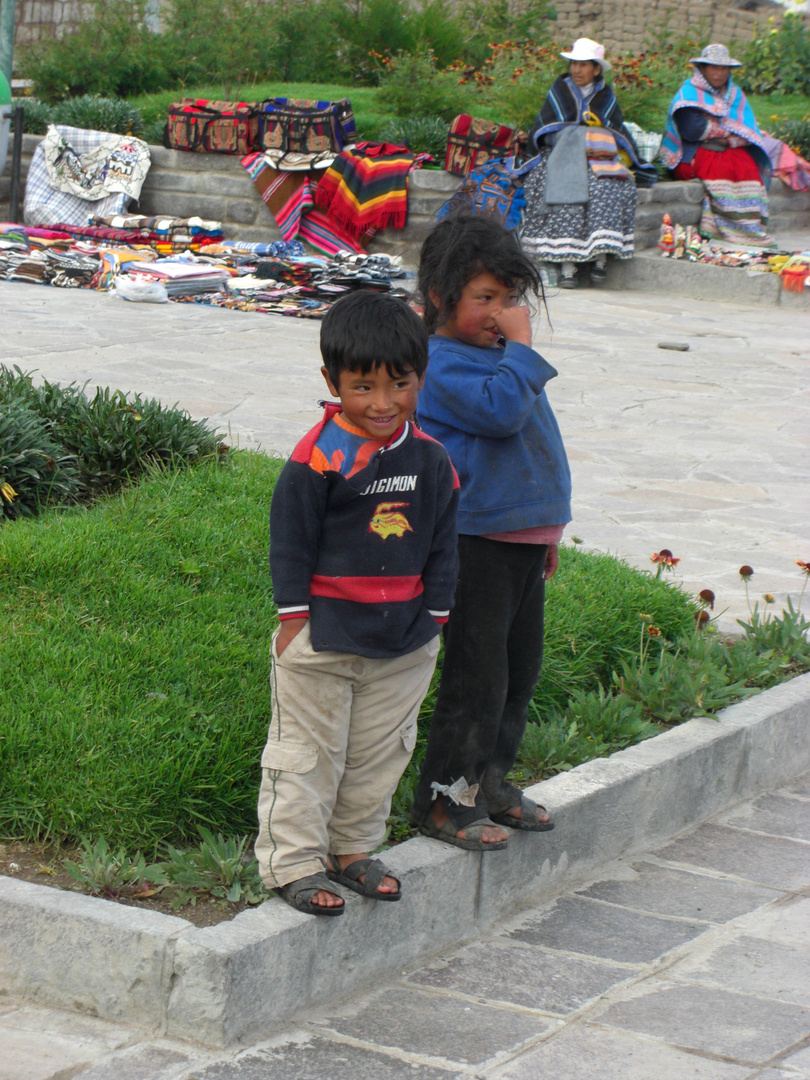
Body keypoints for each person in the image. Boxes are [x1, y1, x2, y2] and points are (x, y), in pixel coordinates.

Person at [255, 290, 460, 915]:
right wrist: (294, 619)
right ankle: (293, 863)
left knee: (378, 754)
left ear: (420, 378)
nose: (381, 403)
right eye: (363, 386)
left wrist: (436, 619)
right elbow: (290, 542)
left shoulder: (431, 459)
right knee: (309, 756)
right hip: (323, 638)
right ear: (331, 381)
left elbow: (445, 542)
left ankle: (352, 850)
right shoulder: (317, 458)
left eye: (399, 385)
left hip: (404, 642)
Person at [410, 213, 572, 850]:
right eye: (485, 299)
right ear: (439, 300)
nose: (502, 314)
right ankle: (445, 800)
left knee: (516, 673)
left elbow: (533, 445)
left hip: (521, 542)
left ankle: (492, 785)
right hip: (475, 542)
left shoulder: (501, 360)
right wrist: (525, 351)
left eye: (510, 299)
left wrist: (546, 533)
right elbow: (503, 417)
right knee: (477, 679)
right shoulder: (439, 364)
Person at [521, 38, 656, 289]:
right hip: (562, 154)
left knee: (610, 187)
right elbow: (544, 130)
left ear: (596, 69)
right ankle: (567, 267)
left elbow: (614, 128)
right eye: (574, 63)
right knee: (560, 192)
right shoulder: (559, 91)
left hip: (598, 156)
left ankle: (600, 257)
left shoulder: (605, 95)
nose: (577, 70)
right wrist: (575, 135)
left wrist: (592, 135)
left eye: (583, 65)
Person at [660, 43, 773, 247]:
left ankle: (749, 229)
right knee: (724, 169)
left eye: (723, 68)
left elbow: (748, 132)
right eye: (713, 67)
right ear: (702, 68)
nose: (719, 73)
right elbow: (692, 130)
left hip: (729, 150)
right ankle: (729, 229)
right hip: (692, 155)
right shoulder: (688, 93)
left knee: (749, 169)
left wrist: (721, 135)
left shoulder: (735, 95)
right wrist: (728, 132)